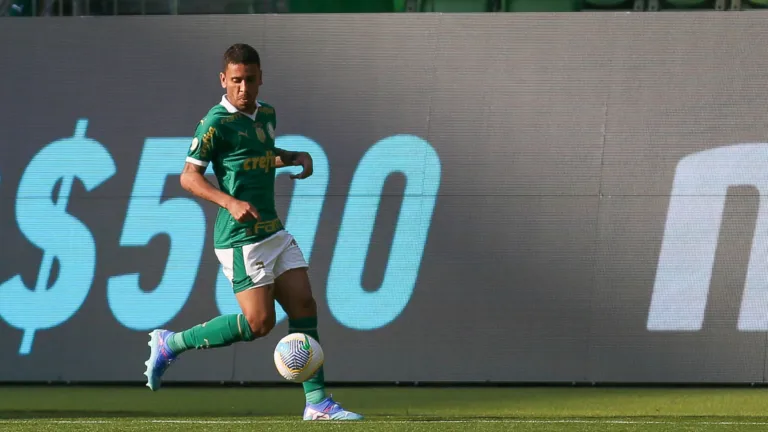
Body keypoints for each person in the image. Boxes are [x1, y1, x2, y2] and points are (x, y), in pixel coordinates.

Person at [143, 43, 363, 422]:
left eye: (250, 80)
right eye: (236, 81)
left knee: (304, 306)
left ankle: (317, 403)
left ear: (261, 79)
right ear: (223, 80)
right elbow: (188, 177)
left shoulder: (266, 115)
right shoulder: (214, 123)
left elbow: (259, 154)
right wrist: (229, 202)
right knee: (259, 324)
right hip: (240, 239)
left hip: (273, 231)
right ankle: (171, 343)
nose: (243, 88)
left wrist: (292, 156)